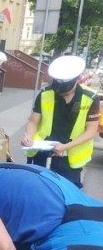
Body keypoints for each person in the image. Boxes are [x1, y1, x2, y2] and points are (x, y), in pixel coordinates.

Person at [22, 55, 100, 188]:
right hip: (41, 155)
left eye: (64, 89)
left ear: (76, 80)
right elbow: (33, 121)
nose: (60, 92)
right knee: (37, 192)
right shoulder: (46, 93)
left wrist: (65, 147)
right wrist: (28, 137)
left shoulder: (90, 97)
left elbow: (91, 131)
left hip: (69, 160)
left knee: (67, 198)